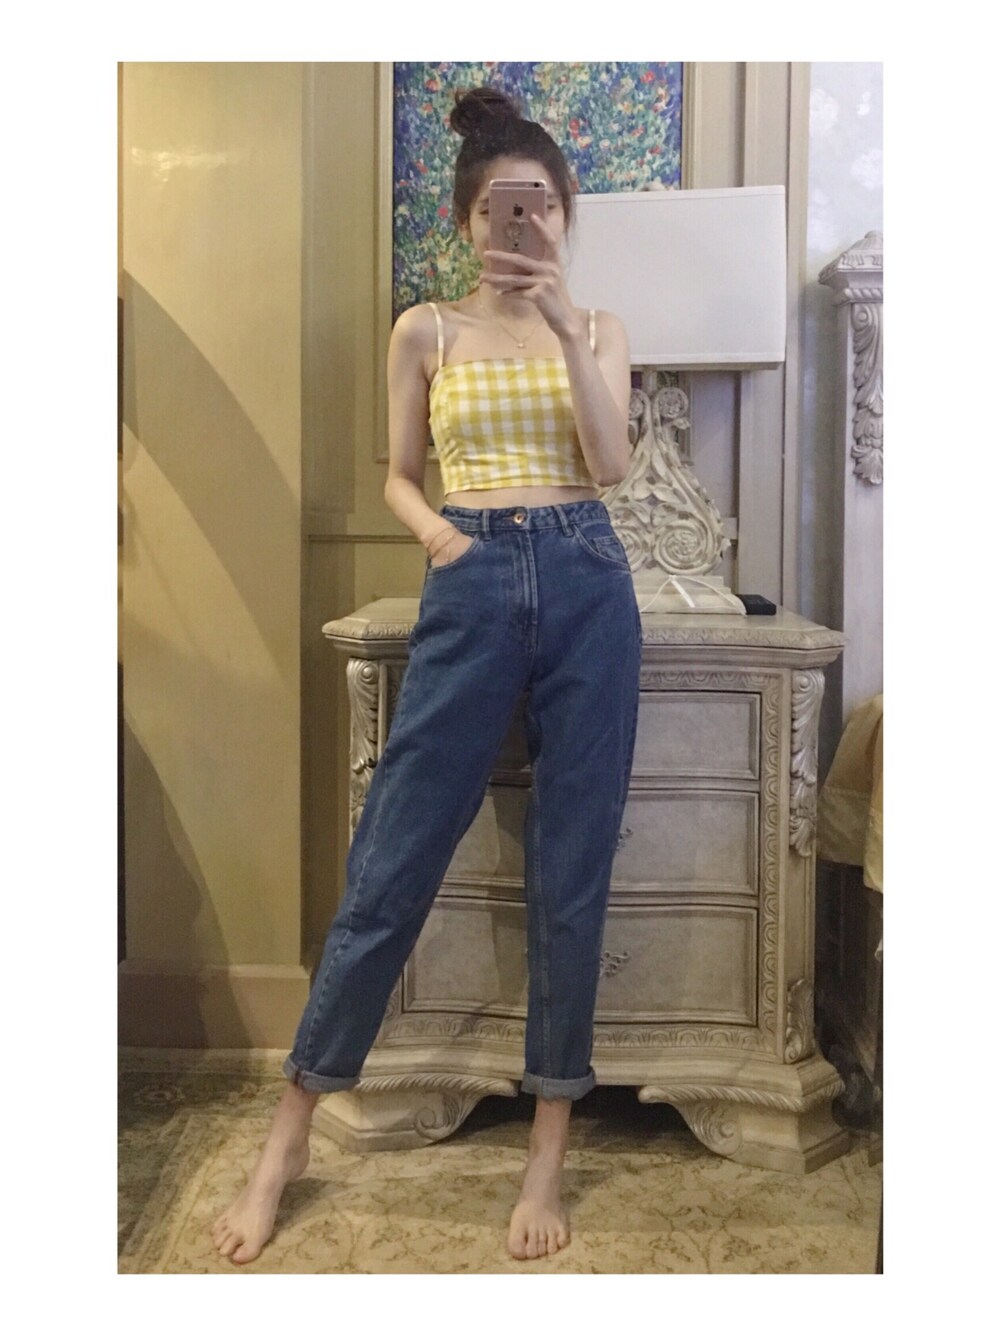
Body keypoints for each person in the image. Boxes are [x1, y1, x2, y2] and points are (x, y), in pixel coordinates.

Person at [212, 85, 641, 1266]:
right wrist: (443, 536)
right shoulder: (426, 330)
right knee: (392, 857)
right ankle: (288, 1136)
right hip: (472, 576)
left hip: (589, 579)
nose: (524, 224)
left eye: (543, 206)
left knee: (571, 867)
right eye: (504, 208)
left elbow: (610, 464)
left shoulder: (600, 328)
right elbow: (399, 472)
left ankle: (547, 1144)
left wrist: (564, 330)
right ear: (468, 221)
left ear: (565, 214)